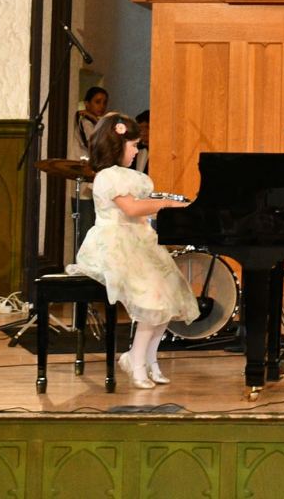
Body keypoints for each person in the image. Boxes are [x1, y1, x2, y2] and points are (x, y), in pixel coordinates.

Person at [66, 112, 198, 390]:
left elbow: (142, 212)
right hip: (115, 244)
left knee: (170, 296)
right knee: (152, 299)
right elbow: (132, 208)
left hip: (139, 240)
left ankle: (149, 358)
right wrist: (166, 204)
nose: (137, 150)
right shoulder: (106, 177)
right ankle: (134, 360)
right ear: (116, 144)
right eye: (133, 145)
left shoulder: (132, 176)